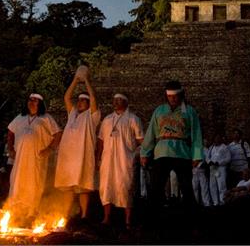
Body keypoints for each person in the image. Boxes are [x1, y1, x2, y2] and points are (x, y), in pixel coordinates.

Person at [140, 79, 204, 213]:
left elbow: (196, 134)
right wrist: (145, 152)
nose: (172, 99)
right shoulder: (159, 110)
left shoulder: (189, 111)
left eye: (175, 96)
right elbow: (151, 131)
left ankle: (192, 219)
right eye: (169, 96)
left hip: (182, 152)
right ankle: (153, 218)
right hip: (162, 151)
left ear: (180, 95)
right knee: (156, 186)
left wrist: (197, 155)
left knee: (186, 187)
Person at [6, 93, 62, 225]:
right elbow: (10, 132)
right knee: (17, 182)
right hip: (20, 159)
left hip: (36, 159)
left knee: (34, 184)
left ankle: (30, 215)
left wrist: (49, 149)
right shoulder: (20, 117)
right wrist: (10, 148)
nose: (31, 103)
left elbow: (58, 133)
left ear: (40, 104)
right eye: (30, 100)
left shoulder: (46, 118)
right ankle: (14, 213)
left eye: (35, 101)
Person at [54, 71, 101, 219]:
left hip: (82, 157)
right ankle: (66, 215)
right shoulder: (72, 113)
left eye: (83, 100)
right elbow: (66, 97)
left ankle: (84, 216)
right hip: (68, 157)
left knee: (83, 188)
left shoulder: (92, 116)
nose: (79, 102)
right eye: (79, 100)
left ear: (88, 104)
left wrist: (86, 80)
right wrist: (75, 80)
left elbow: (93, 98)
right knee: (68, 187)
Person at [96, 92, 144, 228]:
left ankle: (128, 220)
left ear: (126, 102)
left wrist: (137, 155)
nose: (115, 102)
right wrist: (98, 157)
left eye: (119, 100)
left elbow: (141, 140)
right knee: (106, 187)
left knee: (125, 187)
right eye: (114, 100)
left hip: (125, 160)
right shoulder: (106, 120)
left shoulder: (133, 119)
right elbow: (100, 140)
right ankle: (106, 217)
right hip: (107, 160)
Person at [206, 132, 231, 207]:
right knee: (212, 186)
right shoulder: (211, 147)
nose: (217, 139)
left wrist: (219, 162)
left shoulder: (224, 147)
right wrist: (209, 162)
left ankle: (222, 201)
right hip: (213, 168)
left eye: (218, 138)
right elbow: (207, 157)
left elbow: (228, 158)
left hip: (221, 168)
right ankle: (215, 202)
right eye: (215, 138)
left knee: (221, 185)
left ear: (221, 139)